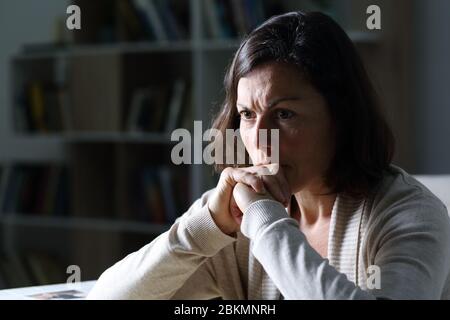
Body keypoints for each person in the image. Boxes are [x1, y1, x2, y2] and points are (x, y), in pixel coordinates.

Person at [87, 11, 450, 300]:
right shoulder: (234, 214)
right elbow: (108, 297)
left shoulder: (410, 215)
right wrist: (205, 225)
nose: (259, 139)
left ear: (342, 117)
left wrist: (265, 219)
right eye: (247, 114)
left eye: (284, 114)